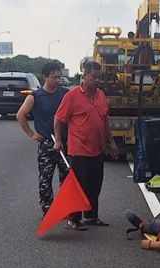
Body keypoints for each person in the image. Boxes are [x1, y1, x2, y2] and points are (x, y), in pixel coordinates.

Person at [53, 61, 119, 230]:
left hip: (97, 148)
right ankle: (73, 219)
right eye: (93, 77)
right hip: (79, 149)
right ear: (84, 75)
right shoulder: (72, 95)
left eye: (99, 77)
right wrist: (59, 140)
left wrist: (110, 141)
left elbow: (105, 120)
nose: (97, 81)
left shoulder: (100, 95)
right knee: (79, 185)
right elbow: (59, 119)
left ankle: (91, 216)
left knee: (95, 184)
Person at [17, 62, 69, 215]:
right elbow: (20, 115)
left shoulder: (65, 94)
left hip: (65, 142)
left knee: (67, 177)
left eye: (59, 77)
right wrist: (31, 134)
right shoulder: (35, 97)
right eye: (54, 77)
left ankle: (66, 209)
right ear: (45, 77)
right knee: (45, 178)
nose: (57, 80)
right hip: (47, 143)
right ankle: (48, 209)